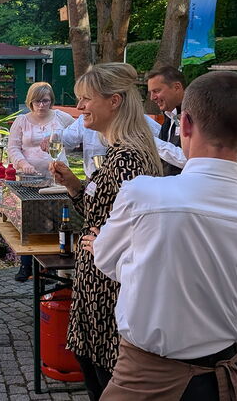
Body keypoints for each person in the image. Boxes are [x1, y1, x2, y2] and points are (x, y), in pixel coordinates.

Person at [91, 71, 237, 400]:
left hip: (146, 377)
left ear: (184, 124)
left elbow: (106, 260)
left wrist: (144, 267)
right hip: (230, 375)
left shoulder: (143, 195)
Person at [49, 63, 163, 401]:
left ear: (114, 102)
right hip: (96, 290)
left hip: (109, 294)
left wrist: (106, 243)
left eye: (86, 99)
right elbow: (103, 216)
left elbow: (141, 228)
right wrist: (74, 186)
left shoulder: (128, 157)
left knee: (107, 384)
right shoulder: (118, 152)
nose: (80, 107)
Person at [8, 81, 75, 281]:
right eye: (37, 101)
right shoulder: (22, 121)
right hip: (29, 179)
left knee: (55, 219)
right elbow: (13, 147)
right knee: (29, 219)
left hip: (57, 179)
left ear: (51, 101)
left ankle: (52, 266)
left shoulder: (62, 118)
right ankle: (26, 264)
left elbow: (78, 134)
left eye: (45, 101)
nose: (41, 105)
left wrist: (67, 150)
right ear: (30, 102)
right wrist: (22, 163)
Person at [62, 115, 187, 179]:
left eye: (88, 98)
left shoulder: (142, 123)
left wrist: (145, 140)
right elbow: (65, 140)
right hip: (93, 182)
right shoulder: (83, 120)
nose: (80, 106)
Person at [145, 66, 187, 176]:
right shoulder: (169, 115)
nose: (152, 97)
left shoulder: (196, 115)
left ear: (177, 87)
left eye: (156, 91)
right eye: (150, 92)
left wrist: (149, 141)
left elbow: (189, 160)